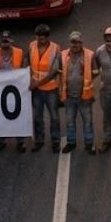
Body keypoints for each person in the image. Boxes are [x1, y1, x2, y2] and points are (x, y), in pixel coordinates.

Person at [0, 31, 28, 152]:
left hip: (16, 90)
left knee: (18, 116)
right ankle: (1, 141)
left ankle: (21, 142)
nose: (5, 43)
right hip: (0, 90)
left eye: (7, 40)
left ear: (11, 41)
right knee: (0, 117)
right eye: (3, 40)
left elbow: (24, 69)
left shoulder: (20, 53)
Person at [60, 31, 97, 154]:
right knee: (70, 122)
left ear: (82, 43)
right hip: (69, 96)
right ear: (69, 42)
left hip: (85, 97)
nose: (75, 44)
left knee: (88, 122)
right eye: (73, 42)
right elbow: (59, 72)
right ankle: (71, 143)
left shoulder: (90, 55)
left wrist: (86, 79)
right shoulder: (63, 55)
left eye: (77, 42)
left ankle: (89, 144)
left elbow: (96, 71)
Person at [29, 23, 62, 153]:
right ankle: (39, 140)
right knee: (37, 117)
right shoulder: (31, 45)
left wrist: (37, 83)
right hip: (36, 91)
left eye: (43, 37)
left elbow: (54, 71)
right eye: (38, 36)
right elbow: (29, 62)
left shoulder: (55, 48)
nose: (40, 39)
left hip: (51, 89)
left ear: (48, 37)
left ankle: (55, 141)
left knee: (54, 116)